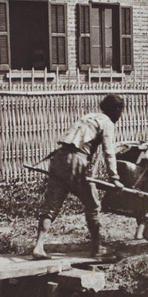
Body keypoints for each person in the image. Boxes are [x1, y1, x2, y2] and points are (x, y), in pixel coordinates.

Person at [32, 94, 125, 260]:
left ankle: (38, 246)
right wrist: (114, 178)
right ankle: (97, 248)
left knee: (51, 206)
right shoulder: (107, 123)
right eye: (121, 111)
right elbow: (108, 152)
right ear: (116, 110)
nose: (120, 116)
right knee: (93, 204)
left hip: (59, 158)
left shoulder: (88, 117)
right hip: (75, 160)